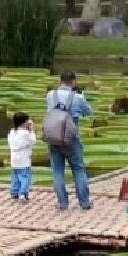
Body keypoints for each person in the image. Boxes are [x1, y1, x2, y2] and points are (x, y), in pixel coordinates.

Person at [46, 70, 93, 210]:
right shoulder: (77, 97)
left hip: (53, 138)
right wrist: (81, 96)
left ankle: (62, 203)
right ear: (73, 82)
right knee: (78, 169)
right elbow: (88, 112)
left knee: (57, 171)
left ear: (60, 81)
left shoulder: (50, 95)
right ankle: (84, 203)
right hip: (71, 139)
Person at [8, 112, 36, 201]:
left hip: (14, 159)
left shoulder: (12, 132)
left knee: (15, 177)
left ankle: (14, 192)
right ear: (24, 122)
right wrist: (31, 130)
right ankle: (23, 193)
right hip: (23, 160)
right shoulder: (26, 134)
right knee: (24, 177)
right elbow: (33, 141)